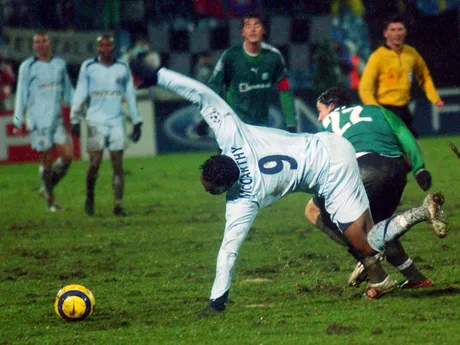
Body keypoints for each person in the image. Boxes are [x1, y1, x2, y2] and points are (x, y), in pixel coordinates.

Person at [148, 67, 447, 313]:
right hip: (334, 146)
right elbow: (203, 97)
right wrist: (158, 74)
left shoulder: (244, 198)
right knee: (345, 227)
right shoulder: (232, 135)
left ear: (226, 186)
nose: (208, 193)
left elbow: (229, 249)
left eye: (212, 190)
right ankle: (380, 275)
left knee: (366, 238)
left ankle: (415, 220)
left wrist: (217, 300)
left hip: (332, 174)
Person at [307, 88, 436, 298]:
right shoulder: (377, 110)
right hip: (396, 170)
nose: (319, 116)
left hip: (364, 170)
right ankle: (416, 279)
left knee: (313, 210)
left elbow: (320, 162)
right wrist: (420, 168)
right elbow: (405, 135)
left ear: (331, 107)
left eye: (320, 110)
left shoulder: (327, 124)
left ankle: (369, 263)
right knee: (377, 227)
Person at [70, 34, 142, 216]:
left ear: (113, 47)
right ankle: (90, 195)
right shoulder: (88, 67)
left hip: (116, 121)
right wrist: (75, 118)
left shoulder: (122, 67)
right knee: (94, 162)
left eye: (109, 45)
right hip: (95, 122)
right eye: (102, 45)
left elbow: (130, 95)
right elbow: (80, 92)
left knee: (117, 163)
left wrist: (136, 120)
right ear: (97, 48)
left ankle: (118, 204)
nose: (106, 49)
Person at [203, 13, 296, 132]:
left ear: (264, 30)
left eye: (257, 25)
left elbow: (285, 91)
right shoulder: (230, 57)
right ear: (242, 32)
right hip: (234, 128)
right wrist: (205, 119)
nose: (252, 29)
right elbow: (213, 88)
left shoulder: (274, 57)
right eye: (248, 26)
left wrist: (291, 123)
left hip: (262, 129)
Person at [13, 32, 74, 212]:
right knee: (46, 161)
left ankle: (46, 188)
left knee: (67, 155)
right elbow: (21, 95)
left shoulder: (59, 64)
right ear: (33, 46)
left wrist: (79, 109)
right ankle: (50, 201)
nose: (41, 44)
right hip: (37, 121)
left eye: (44, 41)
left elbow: (69, 91)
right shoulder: (27, 66)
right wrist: (17, 122)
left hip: (56, 119)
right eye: (37, 42)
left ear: (50, 43)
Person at [358, 15, 444, 138]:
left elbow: (424, 76)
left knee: (413, 149)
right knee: (405, 147)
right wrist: (377, 110)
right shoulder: (377, 57)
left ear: (405, 32)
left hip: (403, 108)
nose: (397, 33)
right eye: (392, 30)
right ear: (385, 34)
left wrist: (435, 98)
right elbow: (365, 88)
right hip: (385, 109)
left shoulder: (411, 53)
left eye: (400, 29)